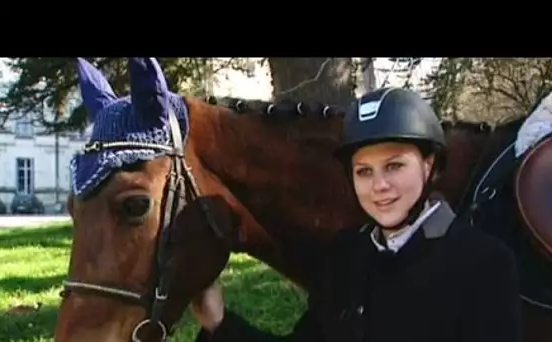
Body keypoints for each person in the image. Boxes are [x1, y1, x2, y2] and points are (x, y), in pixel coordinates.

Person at [192, 87, 522, 342]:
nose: (379, 185)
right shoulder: (347, 255)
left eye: (394, 166)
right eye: (363, 171)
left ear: (430, 166)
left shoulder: (483, 264)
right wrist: (219, 322)